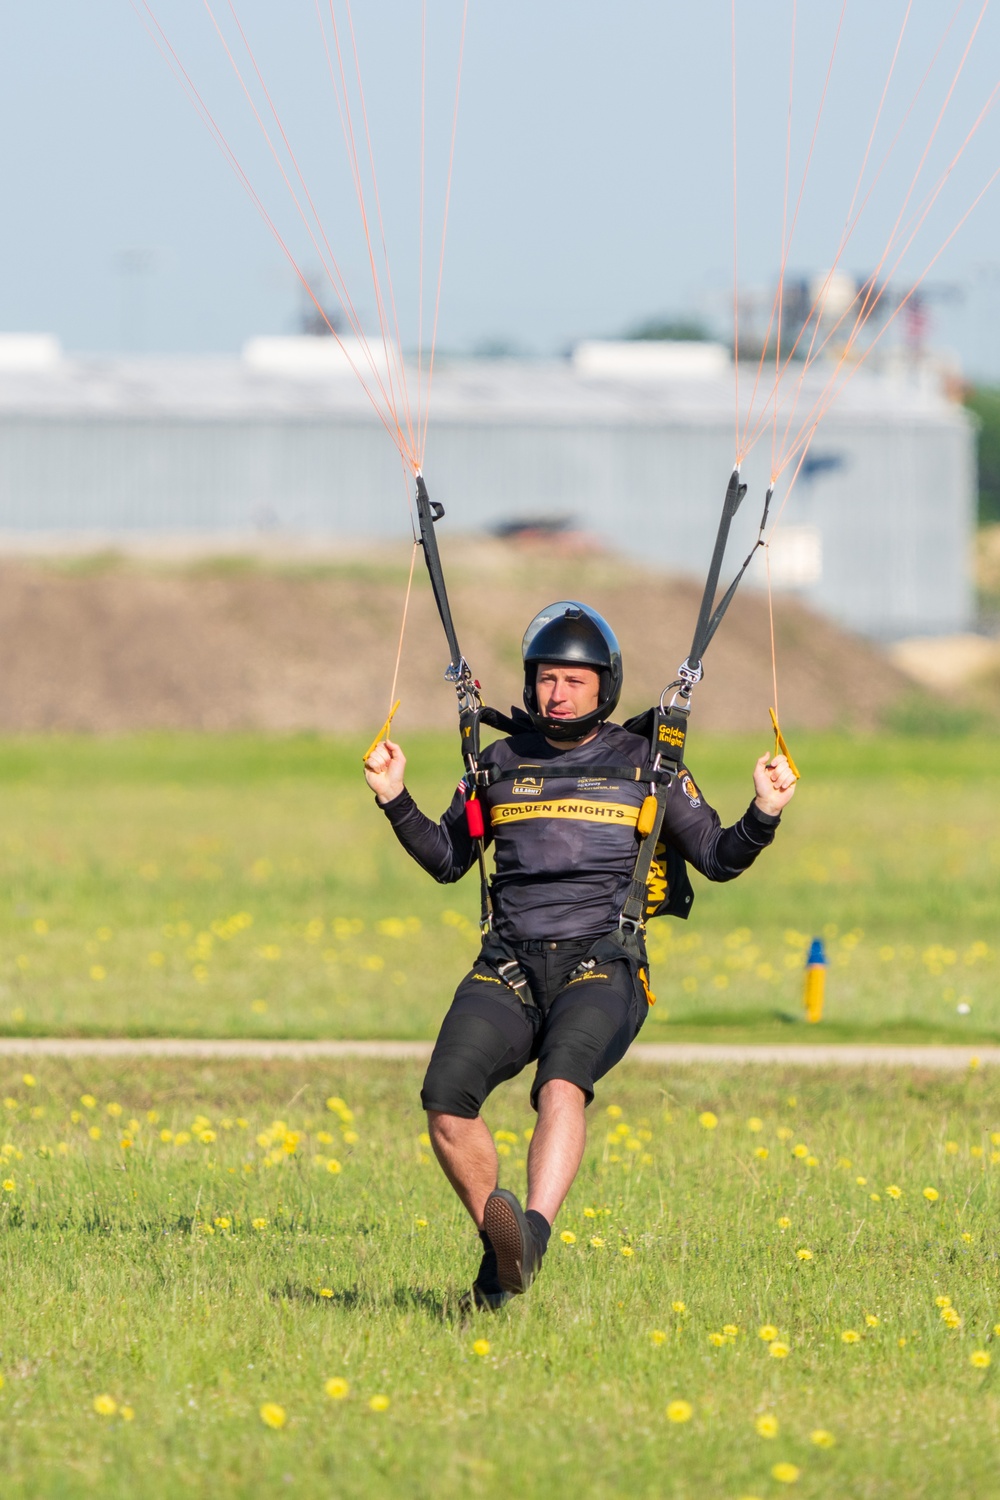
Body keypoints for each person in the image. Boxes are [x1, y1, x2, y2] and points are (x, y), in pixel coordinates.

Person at [364, 601, 796, 1309]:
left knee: (562, 1086)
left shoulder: (647, 765)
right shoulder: (498, 764)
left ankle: (531, 1228)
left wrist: (764, 813)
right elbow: (449, 858)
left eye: (572, 680)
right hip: (507, 962)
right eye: (545, 679)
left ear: (604, 687)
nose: (555, 693)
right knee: (445, 1102)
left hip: (605, 964)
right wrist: (394, 799)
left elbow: (717, 857)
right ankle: (508, 1253)